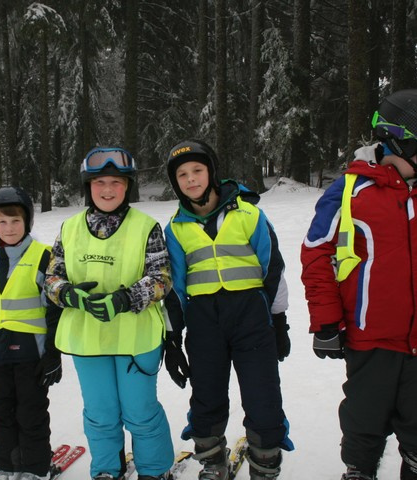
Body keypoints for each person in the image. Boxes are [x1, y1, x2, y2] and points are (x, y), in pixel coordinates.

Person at [300, 89, 417, 480]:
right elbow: (316, 255)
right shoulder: (350, 191)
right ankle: (360, 470)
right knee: (364, 421)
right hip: (372, 339)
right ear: (403, 140)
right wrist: (326, 322)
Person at [162, 139, 293, 480]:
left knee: (263, 395)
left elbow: (273, 269)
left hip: (251, 317)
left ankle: (265, 464)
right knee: (206, 396)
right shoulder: (175, 228)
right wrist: (172, 339)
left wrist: (279, 320)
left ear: (212, 172)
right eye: (182, 175)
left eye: (197, 170)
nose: (191, 179)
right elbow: (174, 289)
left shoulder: (248, 214)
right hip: (204, 322)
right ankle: (212, 462)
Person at [44, 147, 174, 480]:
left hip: (136, 339)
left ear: (127, 186)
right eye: (100, 182)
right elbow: (52, 277)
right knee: (100, 414)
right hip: (88, 340)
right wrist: (68, 294)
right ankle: (106, 469)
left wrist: (124, 299)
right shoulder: (70, 228)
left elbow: (162, 278)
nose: (107, 189)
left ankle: (154, 471)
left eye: (116, 182)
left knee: (140, 412)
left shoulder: (146, 227)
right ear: (88, 186)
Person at [0, 186, 62, 480]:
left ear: (27, 222)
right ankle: (7, 466)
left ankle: (35, 468)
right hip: (0, 350)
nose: (9, 228)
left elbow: (55, 310)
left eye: (15, 221)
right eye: (2, 222)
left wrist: (53, 353)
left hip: (33, 352)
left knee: (31, 413)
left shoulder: (44, 256)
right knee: (4, 412)